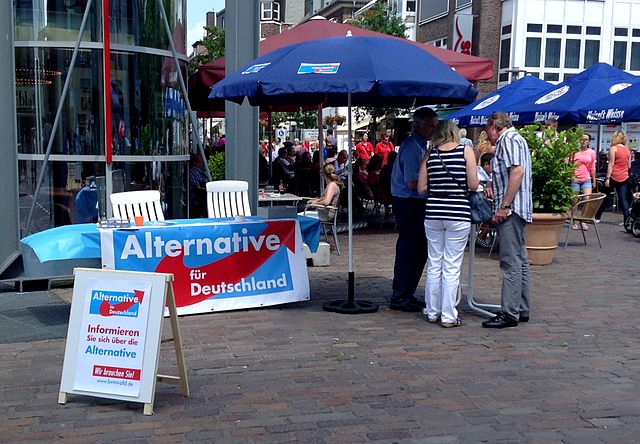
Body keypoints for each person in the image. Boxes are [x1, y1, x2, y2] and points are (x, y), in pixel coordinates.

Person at [417, 121, 479, 328]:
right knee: (452, 265)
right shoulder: (465, 151)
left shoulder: (430, 155)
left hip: (433, 212)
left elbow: (421, 189)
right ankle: (448, 315)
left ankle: (432, 311)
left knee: (435, 263)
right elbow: (473, 184)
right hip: (458, 212)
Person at [482, 112, 532, 329]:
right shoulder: (517, 139)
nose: (488, 138)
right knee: (520, 259)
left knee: (510, 261)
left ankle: (509, 312)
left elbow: (517, 172)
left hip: (511, 210)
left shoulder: (508, 140)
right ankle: (520, 307)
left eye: (487, 132)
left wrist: (505, 205)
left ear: (494, 126)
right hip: (518, 208)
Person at [389, 107, 438, 312]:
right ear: (418, 124)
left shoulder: (422, 146)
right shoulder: (412, 147)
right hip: (409, 202)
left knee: (420, 251)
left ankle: (408, 292)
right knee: (409, 250)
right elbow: (411, 183)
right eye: (431, 125)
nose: (434, 130)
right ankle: (399, 295)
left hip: (417, 202)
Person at [604, 130, 632, 223]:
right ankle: (627, 219)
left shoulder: (613, 148)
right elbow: (629, 166)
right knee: (623, 198)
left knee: (604, 196)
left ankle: (597, 216)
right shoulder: (627, 150)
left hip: (613, 175)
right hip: (624, 176)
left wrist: (607, 178)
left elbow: (611, 164)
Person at [570, 133, 596, 230]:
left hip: (586, 179)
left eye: (585, 139)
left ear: (589, 141)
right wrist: (572, 176)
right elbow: (569, 165)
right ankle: (575, 220)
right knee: (574, 201)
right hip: (576, 179)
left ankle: (583, 220)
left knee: (587, 199)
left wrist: (593, 180)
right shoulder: (574, 151)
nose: (583, 141)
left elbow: (592, 167)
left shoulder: (591, 152)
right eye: (582, 139)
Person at [189, 153, 208, 218]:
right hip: (196, 197)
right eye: (201, 162)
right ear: (195, 162)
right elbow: (198, 185)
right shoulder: (192, 172)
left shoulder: (201, 171)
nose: (203, 164)